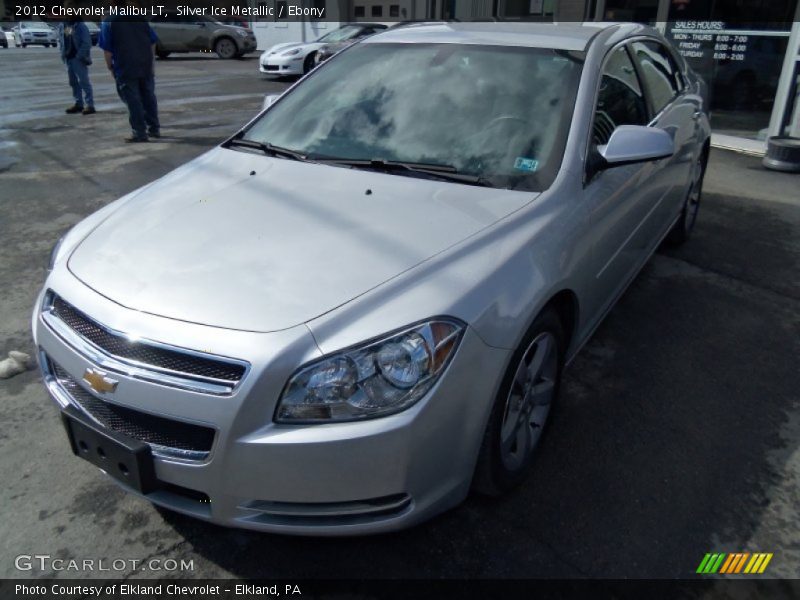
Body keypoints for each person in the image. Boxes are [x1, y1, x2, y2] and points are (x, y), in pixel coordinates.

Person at [98, 1, 160, 143]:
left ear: (112, 5)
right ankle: (154, 128)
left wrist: (110, 67)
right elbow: (152, 41)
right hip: (145, 64)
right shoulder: (140, 19)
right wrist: (151, 63)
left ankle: (139, 132)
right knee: (148, 97)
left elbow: (107, 50)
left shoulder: (109, 22)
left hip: (125, 66)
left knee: (133, 100)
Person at [60, 3, 95, 115]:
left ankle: (90, 105)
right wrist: (63, 53)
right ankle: (78, 103)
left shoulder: (80, 26)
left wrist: (79, 55)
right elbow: (64, 40)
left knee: (84, 81)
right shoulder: (66, 25)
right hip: (69, 58)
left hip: (78, 58)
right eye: (66, 9)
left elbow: (87, 43)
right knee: (73, 82)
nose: (67, 12)